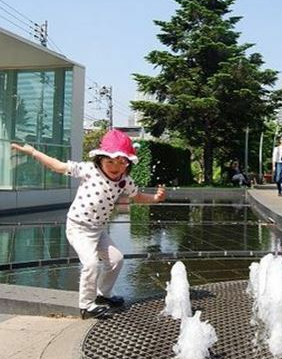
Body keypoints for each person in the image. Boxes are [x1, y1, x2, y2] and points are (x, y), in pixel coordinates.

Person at [11, 129, 166, 319]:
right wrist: (34, 153)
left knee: (116, 260)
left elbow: (138, 197)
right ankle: (86, 305)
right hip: (78, 227)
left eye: (121, 162)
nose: (115, 166)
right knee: (91, 264)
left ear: (128, 163)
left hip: (98, 229)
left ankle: (103, 295)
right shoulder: (89, 170)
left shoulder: (125, 181)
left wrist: (156, 199)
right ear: (100, 159)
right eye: (110, 161)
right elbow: (58, 166)